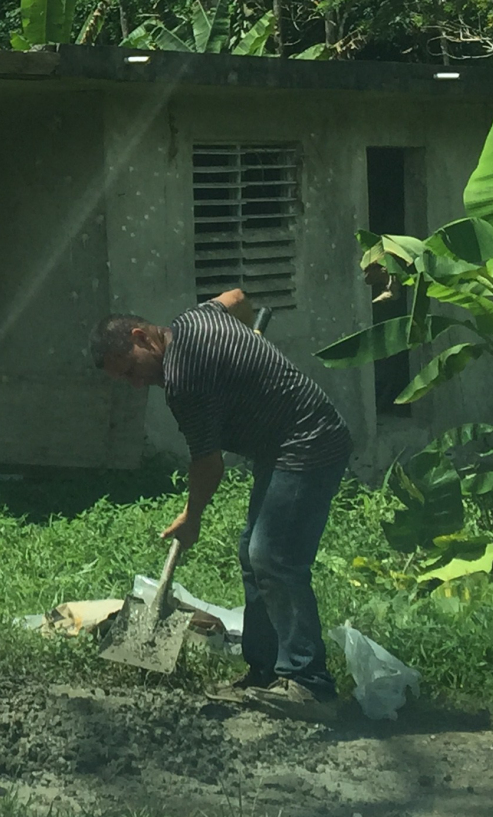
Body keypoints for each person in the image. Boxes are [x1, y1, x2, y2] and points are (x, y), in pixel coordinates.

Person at [90, 289, 353, 724]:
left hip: (309, 442)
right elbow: (236, 297)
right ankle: (265, 671)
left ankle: (311, 685)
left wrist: (191, 518)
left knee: (273, 557)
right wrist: (247, 341)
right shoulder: (197, 318)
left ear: (141, 337)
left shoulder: (184, 380)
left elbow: (208, 465)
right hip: (280, 445)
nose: (137, 384)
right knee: (252, 553)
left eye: (132, 370)